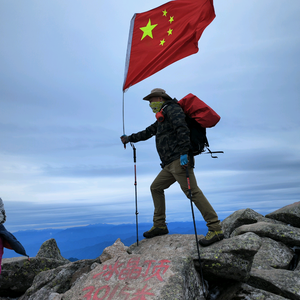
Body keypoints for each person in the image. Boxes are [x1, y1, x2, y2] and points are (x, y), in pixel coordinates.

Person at [120, 88, 224, 247]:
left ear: (161, 99)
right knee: (156, 187)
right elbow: (148, 132)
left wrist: (184, 153)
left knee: (193, 192)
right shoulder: (162, 117)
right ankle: (160, 225)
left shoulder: (173, 109)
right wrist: (129, 138)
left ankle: (215, 228)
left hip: (179, 160)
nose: (150, 104)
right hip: (169, 164)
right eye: (149, 102)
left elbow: (182, 128)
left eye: (152, 100)